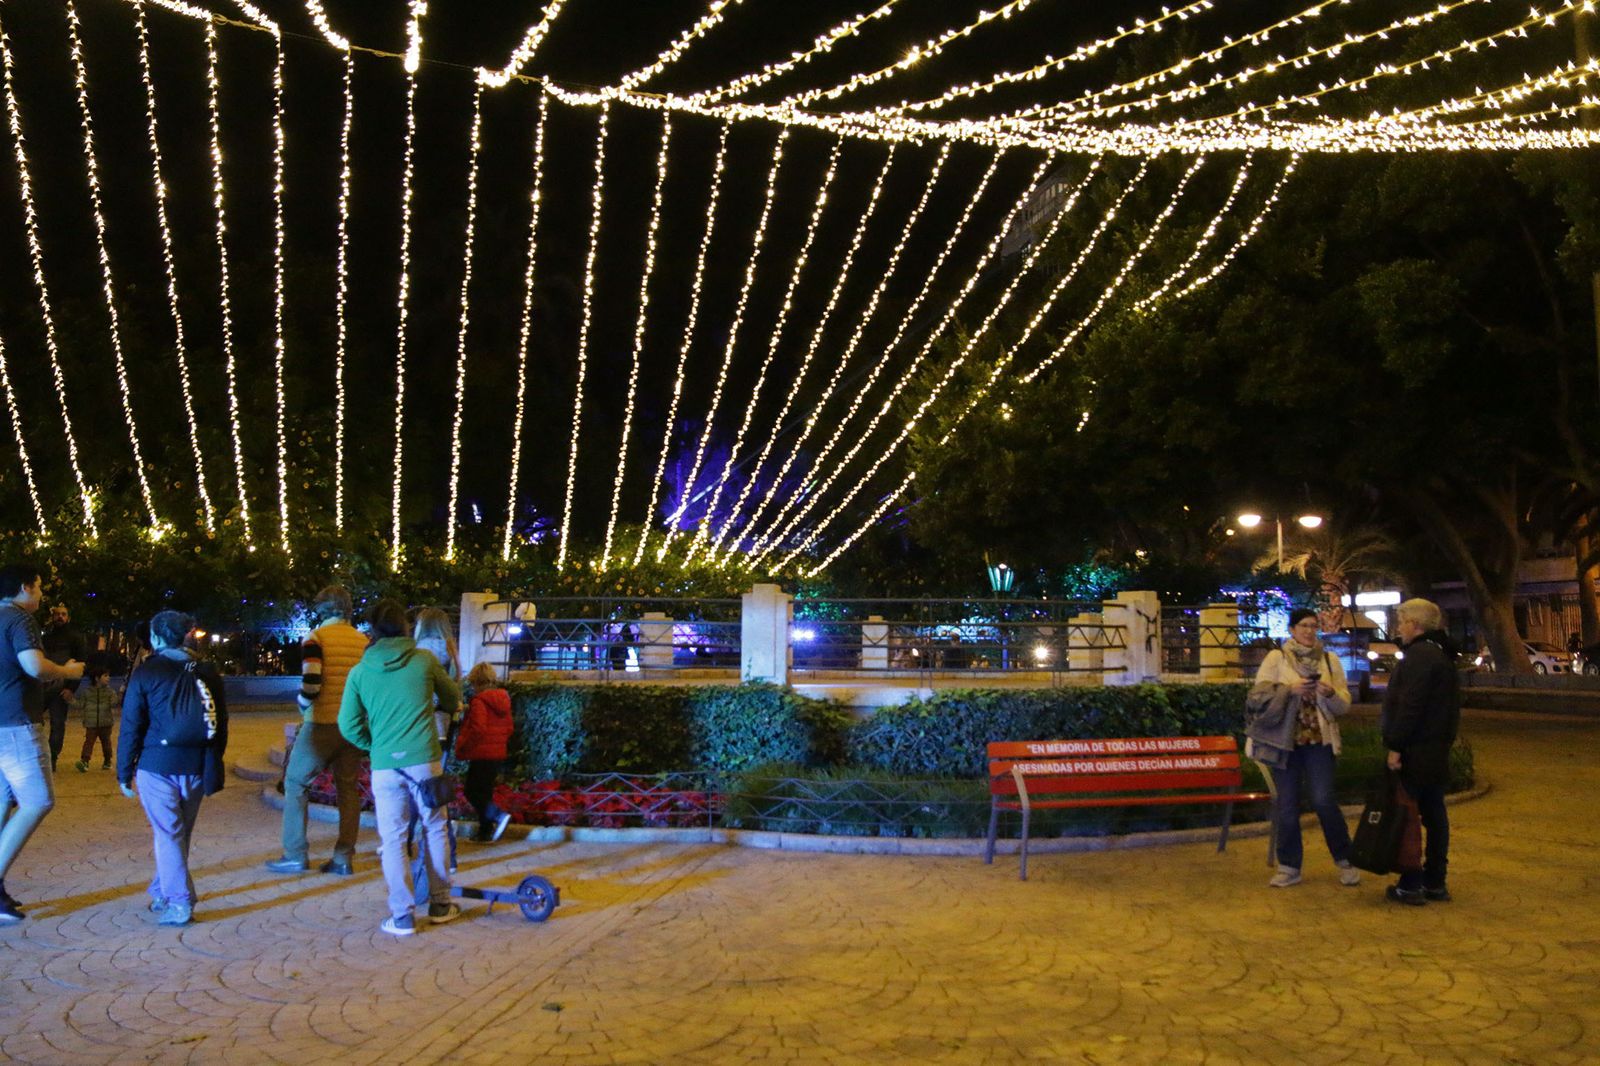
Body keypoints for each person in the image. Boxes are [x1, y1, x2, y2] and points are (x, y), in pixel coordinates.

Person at [338, 599, 461, 936]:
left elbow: (348, 724)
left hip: (384, 767)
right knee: (434, 828)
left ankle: (402, 915)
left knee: (392, 839)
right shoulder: (423, 661)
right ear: (405, 629)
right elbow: (452, 700)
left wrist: (374, 744)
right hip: (425, 761)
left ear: (373, 632)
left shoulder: (360, 672)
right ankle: (439, 903)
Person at [116, 611, 228, 927]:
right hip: (196, 765)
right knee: (178, 834)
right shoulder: (207, 670)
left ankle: (180, 902)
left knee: (168, 834)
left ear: (156, 638)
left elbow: (131, 725)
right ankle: (162, 890)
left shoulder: (147, 673)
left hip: (157, 765)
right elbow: (221, 724)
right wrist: (212, 761)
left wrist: (124, 771)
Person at [1246, 607, 1360, 889]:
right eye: (1304, 626)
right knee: (1287, 805)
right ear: (1292, 630)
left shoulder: (1330, 660)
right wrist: (1289, 690)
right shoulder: (1277, 658)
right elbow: (1257, 696)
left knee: (1323, 800)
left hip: (1319, 741)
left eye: (1313, 625)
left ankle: (1345, 860)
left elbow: (1344, 703)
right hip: (1285, 743)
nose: (1309, 631)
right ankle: (1289, 866)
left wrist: (1330, 692)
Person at [0, 564, 84, 923]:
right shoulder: (19, 620)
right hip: (16, 725)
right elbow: (34, 666)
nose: (41, 594)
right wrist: (67, 671)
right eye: (38, 587)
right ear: (24, 587)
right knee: (38, 801)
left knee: (4, 799)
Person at [265, 586, 368, 877]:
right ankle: (343, 857)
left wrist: (301, 705)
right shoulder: (363, 642)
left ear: (321, 610)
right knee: (348, 790)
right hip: (352, 727)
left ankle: (295, 854)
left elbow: (311, 683)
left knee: (296, 784)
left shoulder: (316, 638)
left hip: (320, 725)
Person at [1380, 597, 1460, 905]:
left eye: (1400, 622)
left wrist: (1395, 746)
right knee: (1435, 815)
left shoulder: (1418, 658)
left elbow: (1410, 706)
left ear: (1414, 625)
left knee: (1408, 816)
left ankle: (1411, 882)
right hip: (1436, 749)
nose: (1398, 629)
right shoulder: (1442, 656)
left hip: (1415, 750)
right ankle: (1435, 880)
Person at [456, 662, 513, 844]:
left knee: (471, 791)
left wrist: (464, 745)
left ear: (476, 682)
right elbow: (509, 727)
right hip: (497, 752)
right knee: (484, 792)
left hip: (481, 752)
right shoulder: (502, 699)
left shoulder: (479, 701)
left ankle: (497, 815)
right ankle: (484, 831)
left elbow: (478, 729)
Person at [42, 603, 87, 772]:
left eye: (63, 614)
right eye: (57, 614)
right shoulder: (45, 637)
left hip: (61, 689)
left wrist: (70, 688)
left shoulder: (75, 638)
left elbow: (81, 664)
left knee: (58, 724)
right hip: (43, 686)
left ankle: (52, 758)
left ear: (68, 617)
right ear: (53, 616)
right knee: (34, 723)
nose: (60, 617)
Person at [74, 665, 118, 772]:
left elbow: (114, 703)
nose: (108, 678)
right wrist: (71, 700)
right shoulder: (87, 692)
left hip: (106, 723)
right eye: (105, 676)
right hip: (91, 723)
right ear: (97, 678)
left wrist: (119, 695)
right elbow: (80, 704)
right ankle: (85, 761)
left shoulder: (110, 692)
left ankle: (107, 761)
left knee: (106, 743)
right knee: (89, 742)